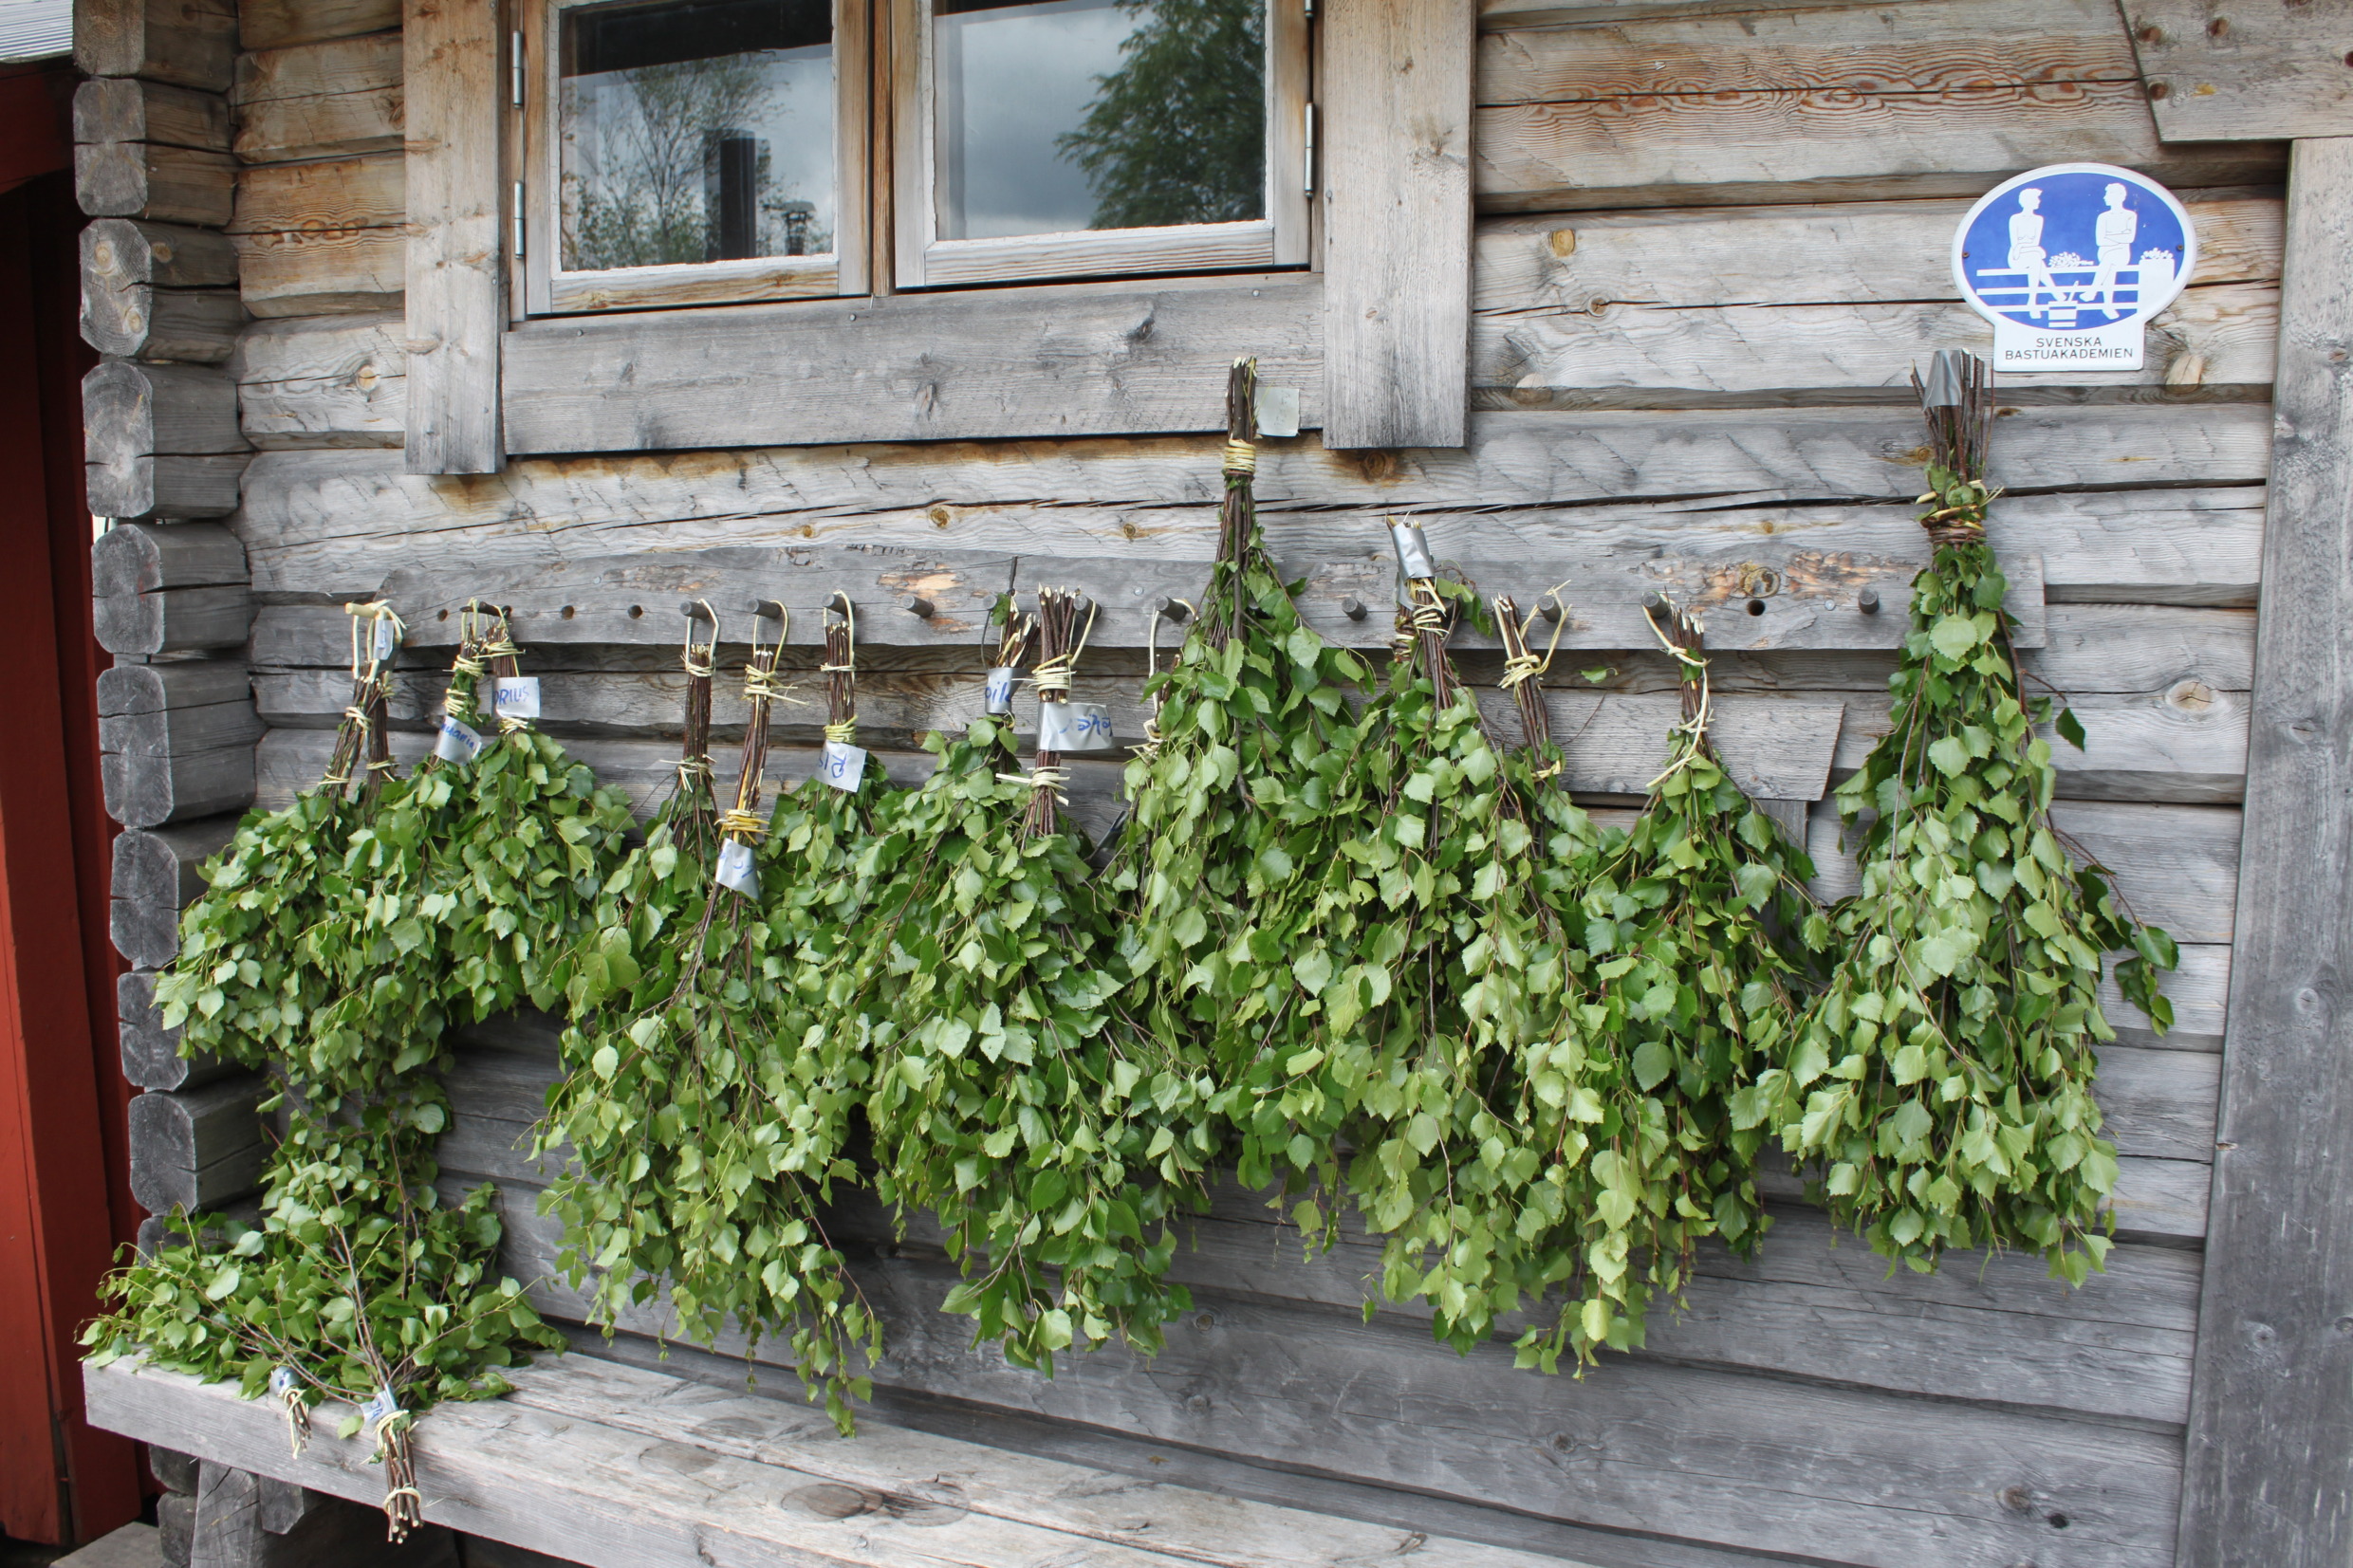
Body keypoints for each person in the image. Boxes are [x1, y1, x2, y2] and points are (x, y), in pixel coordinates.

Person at [2080, 182, 2140, 320]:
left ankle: (2093, 290)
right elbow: (2100, 241)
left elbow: (2129, 238)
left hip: (2122, 254)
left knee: (2110, 261)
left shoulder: (2130, 215)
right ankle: (2107, 306)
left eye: (2108, 194)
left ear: (2119, 196)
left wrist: (2111, 237)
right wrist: (2120, 237)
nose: (2105, 197)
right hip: (2105, 253)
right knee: (2109, 265)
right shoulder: (2103, 217)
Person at [2006, 187, 2066, 321]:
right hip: (2016, 257)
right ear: (2027, 201)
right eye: (2036, 198)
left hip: (2032, 256)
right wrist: (2035, 249)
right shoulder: (2015, 219)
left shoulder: (2038, 219)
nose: (2038, 201)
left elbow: (2035, 243)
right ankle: (2053, 292)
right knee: (2036, 257)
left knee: (2035, 260)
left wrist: (2035, 249)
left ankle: (2033, 302)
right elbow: (2016, 245)